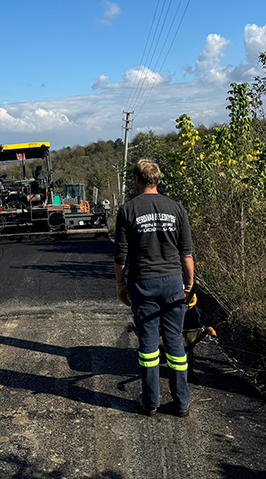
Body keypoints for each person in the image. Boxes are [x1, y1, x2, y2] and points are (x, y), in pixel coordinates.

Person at [114, 159, 196, 418]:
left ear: (138, 181)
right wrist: (189, 287)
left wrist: (120, 284)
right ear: (157, 180)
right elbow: (187, 255)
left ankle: (150, 402)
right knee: (175, 343)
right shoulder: (176, 208)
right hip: (173, 282)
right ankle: (181, 402)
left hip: (143, 283)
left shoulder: (128, 210)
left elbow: (120, 257)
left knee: (148, 344)